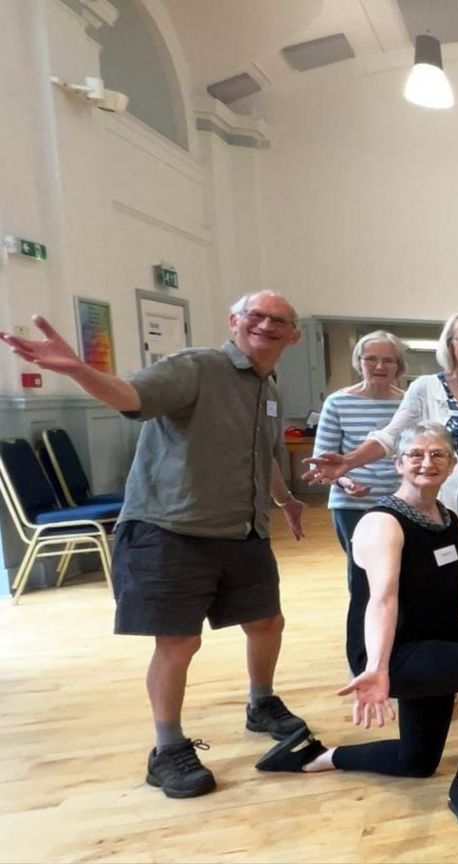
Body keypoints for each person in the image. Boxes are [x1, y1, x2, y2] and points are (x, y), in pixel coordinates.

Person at [1, 293, 311, 798]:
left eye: (280, 320)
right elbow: (130, 397)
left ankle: (261, 703)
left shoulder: (267, 386)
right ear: (234, 320)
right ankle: (167, 748)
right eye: (255, 315)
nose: (266, 325)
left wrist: (285, 499)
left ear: (293, 335)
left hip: (242, 530)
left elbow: (264, 454)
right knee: (179, 642)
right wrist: (79, 370)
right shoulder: (196, 367)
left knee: (266, 622)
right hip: (173, 529)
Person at [254, 423, 458, 834]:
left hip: (436, 644)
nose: (426, 462)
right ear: (398, 463)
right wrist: (378, 667)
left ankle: (317, 756)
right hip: (393, 654)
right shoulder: (384, 523)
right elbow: (383, 599)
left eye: (437, 455)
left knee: (415, 763)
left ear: (452, 465)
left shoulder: (450, 520)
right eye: (415, 454)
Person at [306, 312, 458, 637]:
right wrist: (348, 462)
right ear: (449, 345)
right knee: (441, 588)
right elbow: (391, 435)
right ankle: (447, 662)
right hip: (440, 512)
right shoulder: (426, 388)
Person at [312, 330, 406, 585]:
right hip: (351, 506)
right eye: (371, 359)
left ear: (398, 366)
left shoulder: (408, 403)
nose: (379, 366)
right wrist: (347, 483)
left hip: (402, 504)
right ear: (359, 362)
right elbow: (324, 462)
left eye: (388, 360)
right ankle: (363, 626)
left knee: (402, 573)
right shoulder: (337, 403)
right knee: (363, 576)